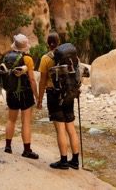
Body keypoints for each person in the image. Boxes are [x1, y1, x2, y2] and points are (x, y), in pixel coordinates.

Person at [37, 32, 80, 169]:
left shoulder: (45, 59)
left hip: (54, 95)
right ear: (59, 42)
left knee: (60, 129)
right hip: (68, 94)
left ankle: (63, 161)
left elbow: (42, 81)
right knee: (71, 127)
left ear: (48, 43)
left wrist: (39, 99)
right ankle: (75, 160)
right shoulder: (70, 55)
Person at [2, 33, 39, 159]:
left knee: (11, 120)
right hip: (25, 93)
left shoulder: (7, 57)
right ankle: (27, 150)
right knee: (26, 122)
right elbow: (32, 80)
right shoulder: (27, 59)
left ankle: (8, 147)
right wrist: (37, 96)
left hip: (11, 92)